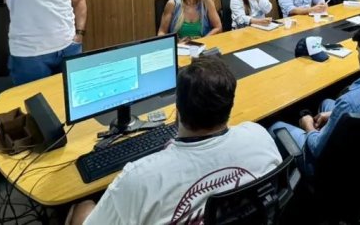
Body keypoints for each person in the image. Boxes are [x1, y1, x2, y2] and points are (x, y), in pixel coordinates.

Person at [68, 57, 282, 225]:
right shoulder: (259, 135)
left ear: (177, 111)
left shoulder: (136, 180)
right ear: (229, 107)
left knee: (82, 207)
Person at [268, 23, 360, 176]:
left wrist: (308, 125)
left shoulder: (349, 101)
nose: (358, 57)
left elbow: (316, 148)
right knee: (326, 104)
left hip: (332, 168)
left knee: (276, 126)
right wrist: (333, 113)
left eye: (359, 52)